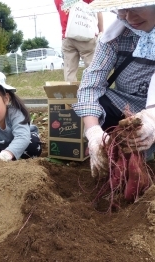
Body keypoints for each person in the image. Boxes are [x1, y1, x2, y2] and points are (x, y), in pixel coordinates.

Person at [72, 0, 155, 177]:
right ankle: (112, 157)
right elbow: (90, 85)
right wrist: (93, 132)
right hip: (122, 104)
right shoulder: (115, 37)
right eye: (123, 10)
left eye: (136, 8)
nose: (129, 17)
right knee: (98, 103)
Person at [54, 0, 104, 81]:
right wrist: (101, 31)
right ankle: (92, 91)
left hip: (67, 36)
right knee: (92, 68)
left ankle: (70, 92)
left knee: (69, 71)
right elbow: (97, 9)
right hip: (86, 35)